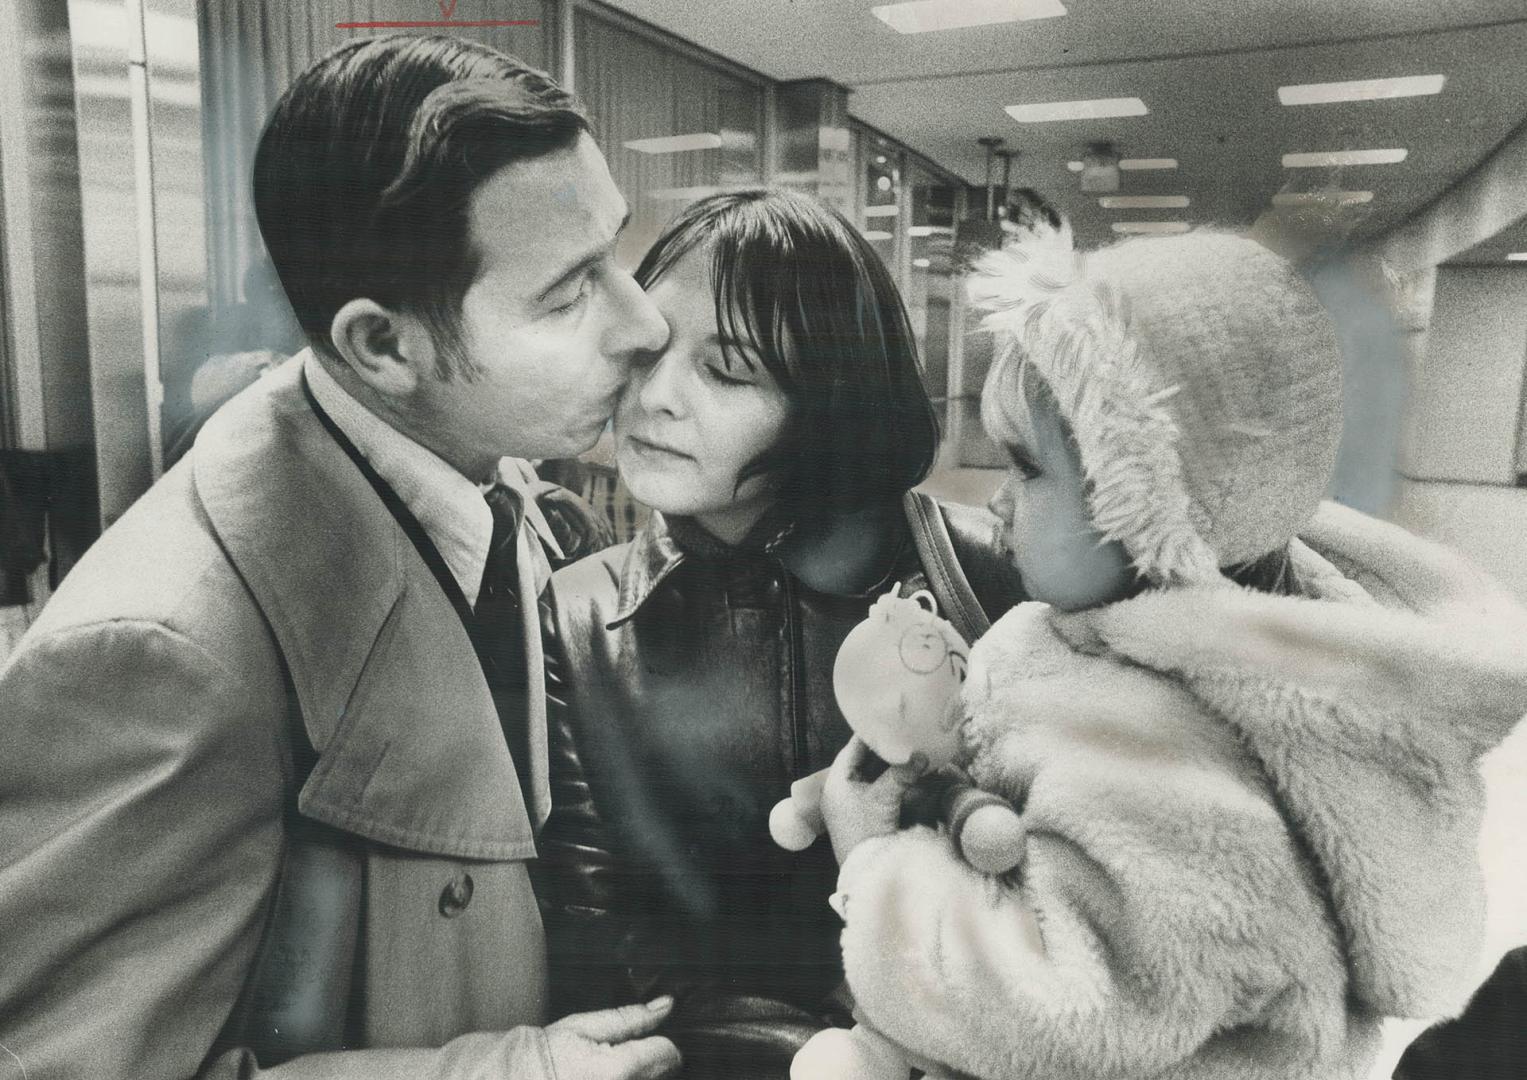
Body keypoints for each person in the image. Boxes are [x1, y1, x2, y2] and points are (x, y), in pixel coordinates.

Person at [0, 35, 682, 1080]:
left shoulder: (493, 486)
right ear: (383, 347)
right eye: (567, 292)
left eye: (616, 254)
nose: (644, 322)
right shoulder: (166, 656)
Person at [817, 229, 1527, 1080]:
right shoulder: (1141, 654)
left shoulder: (1169, 753)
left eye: (1027, 467)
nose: (998, 499)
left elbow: (1063, 1015)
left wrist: (875, 870)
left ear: (1151, 498)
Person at [533, 189, 1025, 1079]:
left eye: (727, 371)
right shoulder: (577, 616)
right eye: (648, 351)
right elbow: (597, 935)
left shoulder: (983, 572)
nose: (656, 399)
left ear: (827, 401)